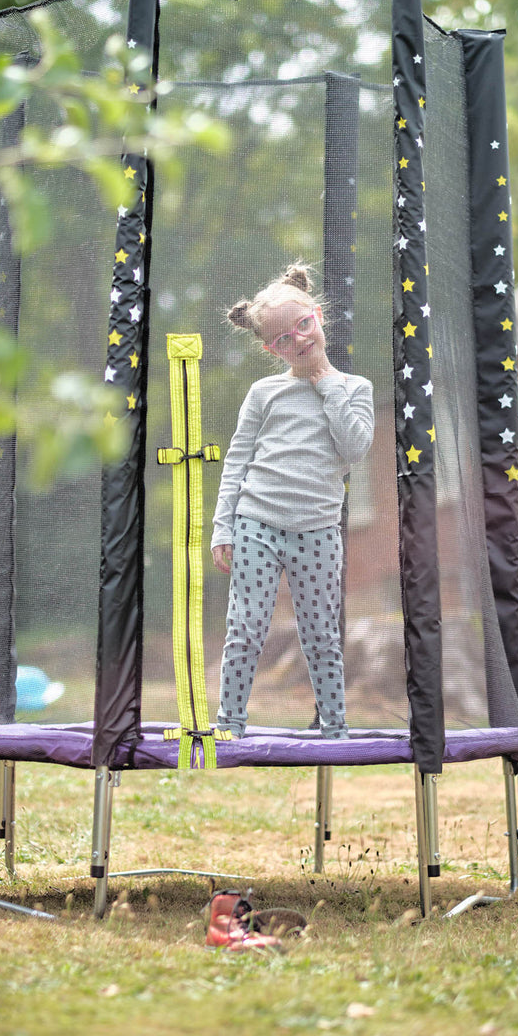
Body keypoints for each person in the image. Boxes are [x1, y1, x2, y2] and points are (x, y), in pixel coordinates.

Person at [211, 263, 374, 739]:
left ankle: (334, 727)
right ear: (272, 349)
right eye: (284, 339)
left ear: (317, 315)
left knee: (321, 634)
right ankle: (230, 724)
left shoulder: (354, 388)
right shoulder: (264, 392)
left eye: (303, 325)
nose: (299, 340)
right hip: (256, 524)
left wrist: (327, 386)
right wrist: (223, 527)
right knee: (246, 628)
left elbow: (355, 449)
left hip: (318, 531)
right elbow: (237, 461)